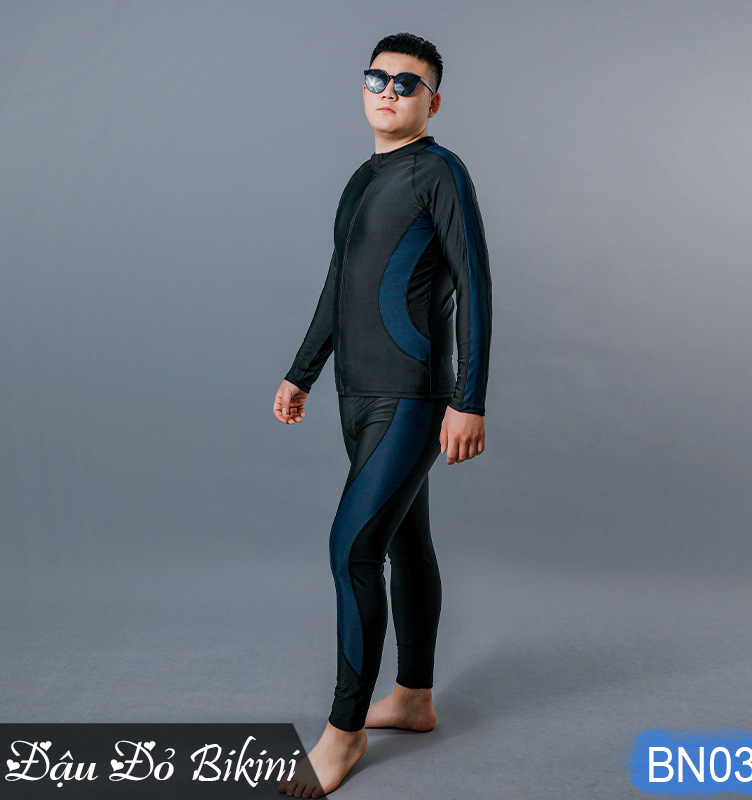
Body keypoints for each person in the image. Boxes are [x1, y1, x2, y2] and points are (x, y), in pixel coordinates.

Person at [273, 32, 492, 797]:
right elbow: (339, 283)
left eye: (407, 83)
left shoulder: (440, 172)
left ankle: (344, 733)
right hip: (354, 395)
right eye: (378, 78)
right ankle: (415, 699)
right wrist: (302, 371)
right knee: (405, 540)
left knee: (351, 550)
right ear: (363, 87)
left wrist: (468, 399)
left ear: (433, 101)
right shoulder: (361, 180)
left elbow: (476, 285)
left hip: (410, 396)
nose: (389, 91)